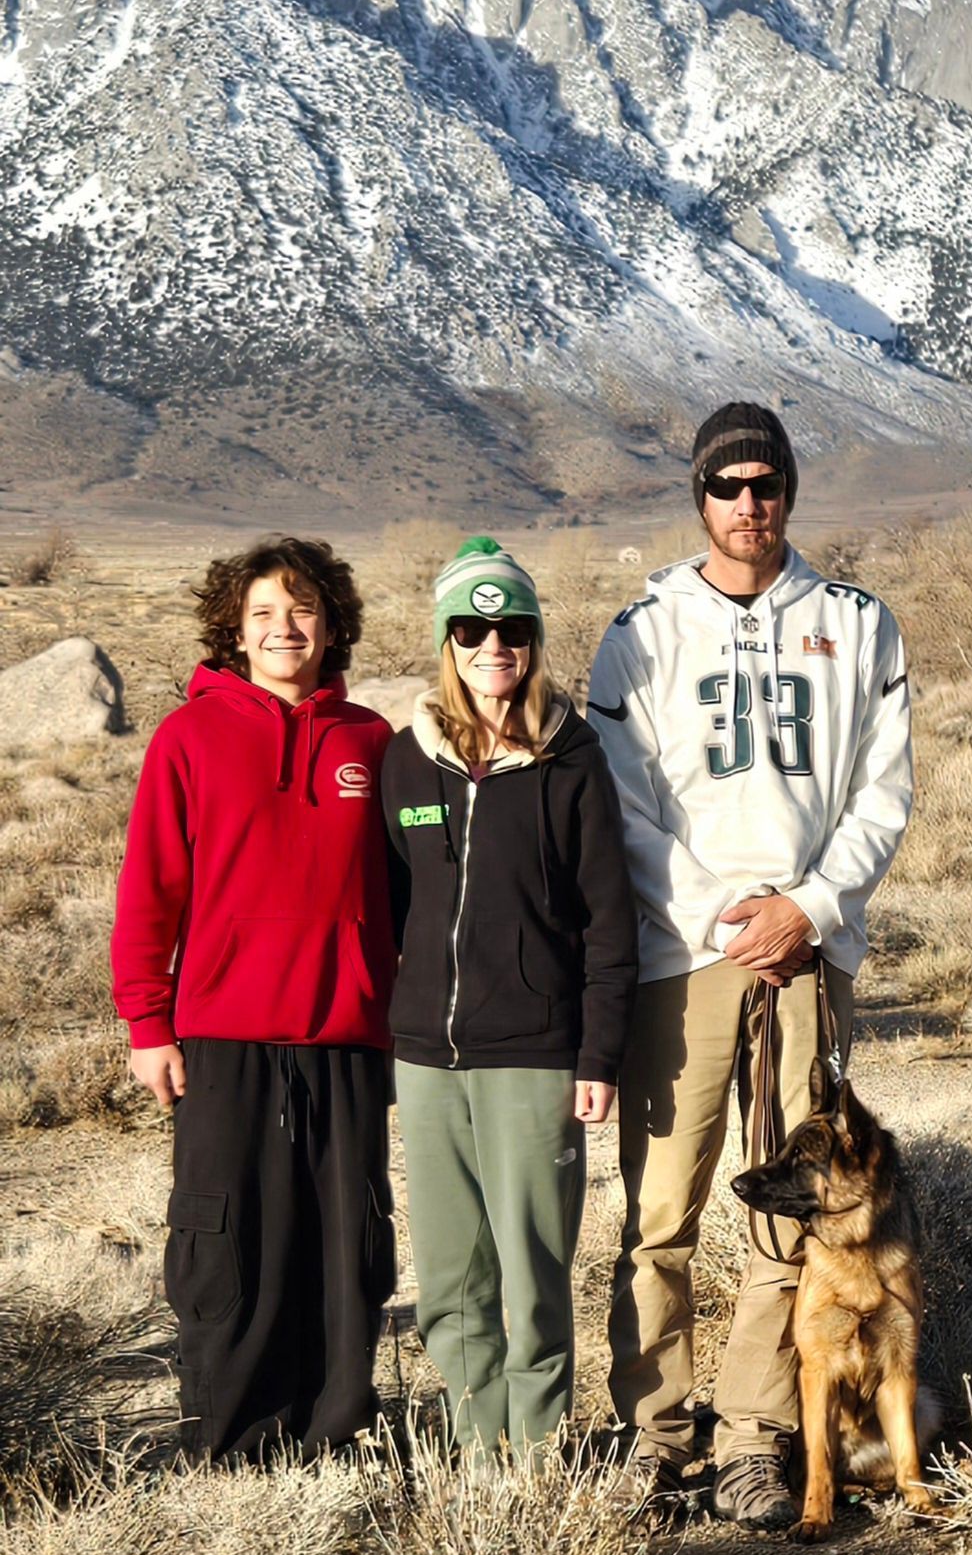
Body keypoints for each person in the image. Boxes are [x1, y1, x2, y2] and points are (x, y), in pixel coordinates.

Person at [589, 403, 914, 1529]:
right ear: (698, 494)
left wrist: (808, 908)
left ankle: (757, 1435)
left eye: (765, 481)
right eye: (726, 484)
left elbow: (883, 793)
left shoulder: (857, 624)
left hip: (808, 957)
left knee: (795, 1212)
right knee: (661, 1209)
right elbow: (620, 806)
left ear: (790, 489)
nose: (748, 503)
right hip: (685, 955)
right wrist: (723, 915)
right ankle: (655, 1433)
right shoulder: (641, 632)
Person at [111, 538, 397, 1460]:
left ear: (331, 622)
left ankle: (333, 1438)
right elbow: (150, 890)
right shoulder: (189, 737)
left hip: (347, 1037)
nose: (285, 629)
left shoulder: (370, 741)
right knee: (226, 1244)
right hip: (221, 1040)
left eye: (302, 610)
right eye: (264, 614)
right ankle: (232, 1443)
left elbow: (402, 898)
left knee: (344, 1245)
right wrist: (147, 1023)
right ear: (234, 630)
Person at [382, 535, 636, 1462]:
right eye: (472, 628)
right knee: (451, 1274)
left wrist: (598, 1053)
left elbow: (611, 921)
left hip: (534, 1051)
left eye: (512, 628)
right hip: (427, 1057)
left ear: (532, 639)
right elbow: (391, 906)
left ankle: (533, 1461)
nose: (494, 645)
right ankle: (474, 1453)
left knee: (531, 1268)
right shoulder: (407, 763)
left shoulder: (573, 761)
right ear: (445, 641)